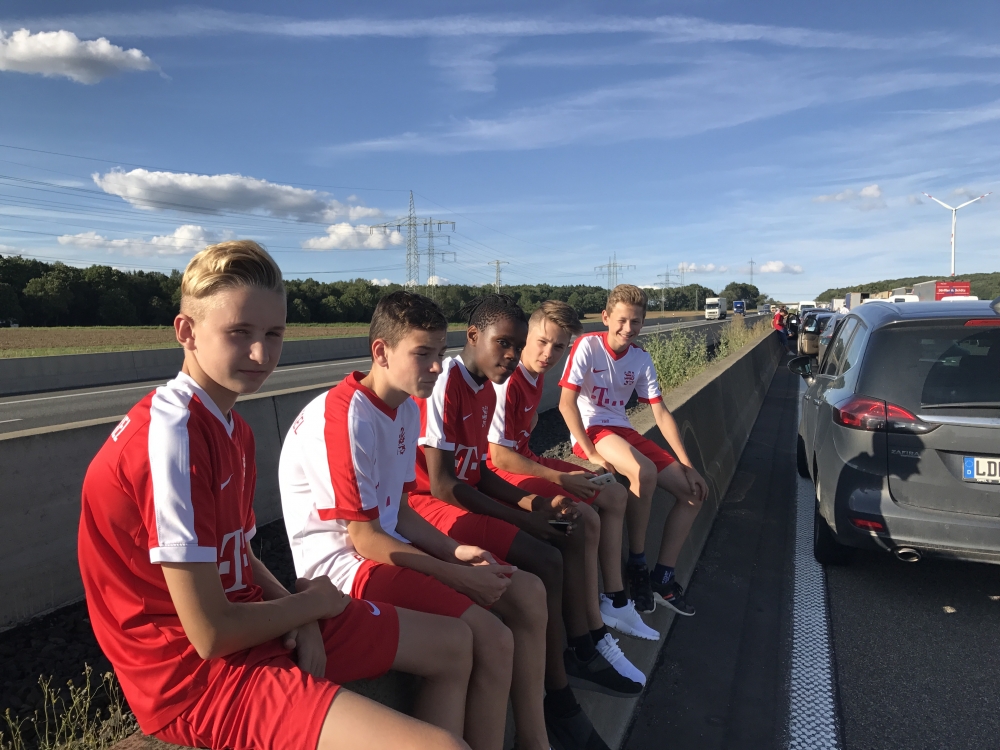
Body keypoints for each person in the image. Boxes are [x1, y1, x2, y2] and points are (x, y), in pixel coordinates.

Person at [78, 241, 469, 750]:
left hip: (259, 622)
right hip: (194, 678)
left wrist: (297, 609)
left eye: (273, 334)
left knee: (456, 646)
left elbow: (238, 555)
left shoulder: (232, 427)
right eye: (239, 333)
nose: (262, 354)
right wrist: (306, 608)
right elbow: (210, 634)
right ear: (186, 331)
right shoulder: (171, 436)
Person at [278, 290, 549, 750]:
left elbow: (399, 512)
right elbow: (365, 538)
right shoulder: (345, 416)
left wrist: (454, 550)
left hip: (383, 552)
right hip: (346, 570)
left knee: (511, 608)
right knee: (493, 638)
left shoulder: (404, 408)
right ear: (381, 352)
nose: (437, 367)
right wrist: (455, 575)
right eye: (423, 354)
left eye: (440, 353)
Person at [410, 294, 634, 750]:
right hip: (427, 506)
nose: (513, 355)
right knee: (544, 559)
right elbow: (444, 485)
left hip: (458, 496)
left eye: (517, 346)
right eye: (504, 344)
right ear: (473, 336)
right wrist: (525, 519)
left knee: (562, 533)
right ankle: (560, 696)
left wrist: (535, 505)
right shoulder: (446, 383)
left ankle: (575, 656)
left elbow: (480, 472)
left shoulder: (482, 387)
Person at [486, 300, 659, 644]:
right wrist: (562, 478)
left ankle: (615, 599)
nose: (548, 353)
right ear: (526, 337)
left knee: (615, 494)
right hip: (501, 471)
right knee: (585, 518)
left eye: (559, 347)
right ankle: (594, 622)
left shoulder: (535, 376)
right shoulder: (508, 381)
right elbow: (499, 458)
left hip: (525, 458)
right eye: (541, 342)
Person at [558, 284, 709, 617]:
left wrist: (687, 465)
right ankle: (638, 563)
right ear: (606, 317)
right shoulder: (588, 345)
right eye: (622, 320)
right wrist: (592, 454)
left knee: (694, 493)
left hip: (622, 429)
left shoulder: (640, 358)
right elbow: (566, 404)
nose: (628, 329)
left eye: (636, 322)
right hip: (592, 430)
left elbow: (660, 412)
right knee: (644, 471)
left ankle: (662, 578)